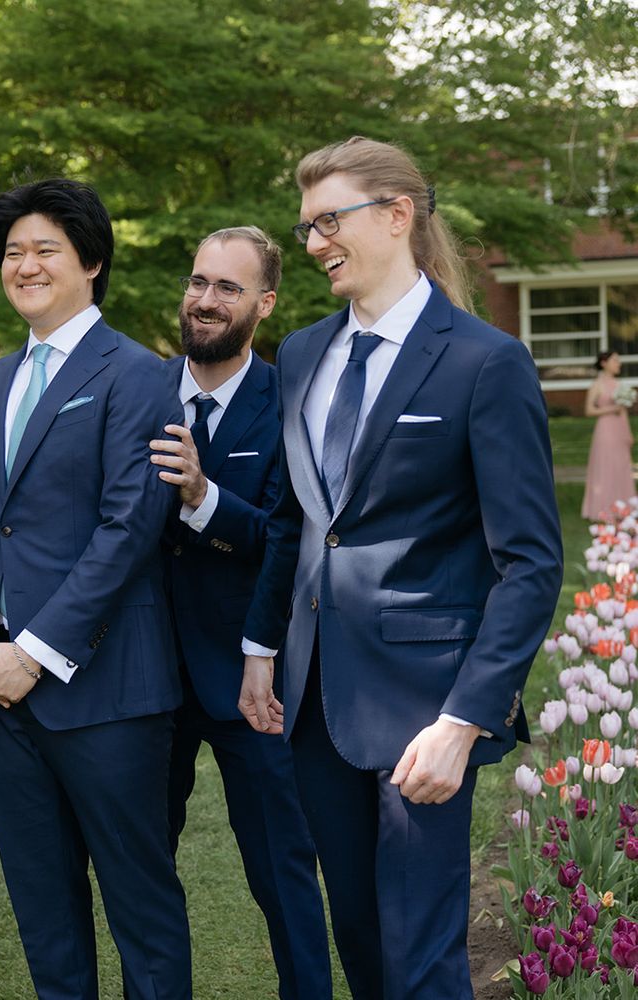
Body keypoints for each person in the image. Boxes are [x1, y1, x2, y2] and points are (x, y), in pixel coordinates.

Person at [238, 137, 563, 1000]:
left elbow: (529, 563)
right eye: (306, 226)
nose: (311, 243)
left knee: (422, 960)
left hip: (426, 707)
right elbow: (299, 521)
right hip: (313, 702)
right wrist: (261, 647)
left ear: (396, 215)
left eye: (328, 221)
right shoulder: (301, 354)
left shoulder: (484, 361)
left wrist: (464, 720)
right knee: (365, 947)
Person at [0, 178, 192, 1000]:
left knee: (141, 911)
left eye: (46, 248)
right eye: (13, 252)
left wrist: (33, 655)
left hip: (107, 693)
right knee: (44, 915)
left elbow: (128, 527)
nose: (26, 264)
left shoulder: (138, 375)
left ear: (92, 262)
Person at [150, 226, 332, 999]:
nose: (206, 299)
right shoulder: (140, 388)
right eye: (198, 282)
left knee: (281, 869)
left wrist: (202, 499)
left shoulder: (293, 400)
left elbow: (290, 538)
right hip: (147, 674)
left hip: (251, 672)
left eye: (228, 287)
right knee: (142, 874)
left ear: (266, 303)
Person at [582, 350, 635, 520]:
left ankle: (625, 508)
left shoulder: (620, 385)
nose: (618, 364)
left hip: (619, 429)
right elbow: (589, 410)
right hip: (605, 429)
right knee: (606, 466)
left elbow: (624, 411)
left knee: (622, 467)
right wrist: (611, 409)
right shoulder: (597, 385)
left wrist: (628, 434)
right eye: (615, 360)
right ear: (604, 363)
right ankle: (603, 509)